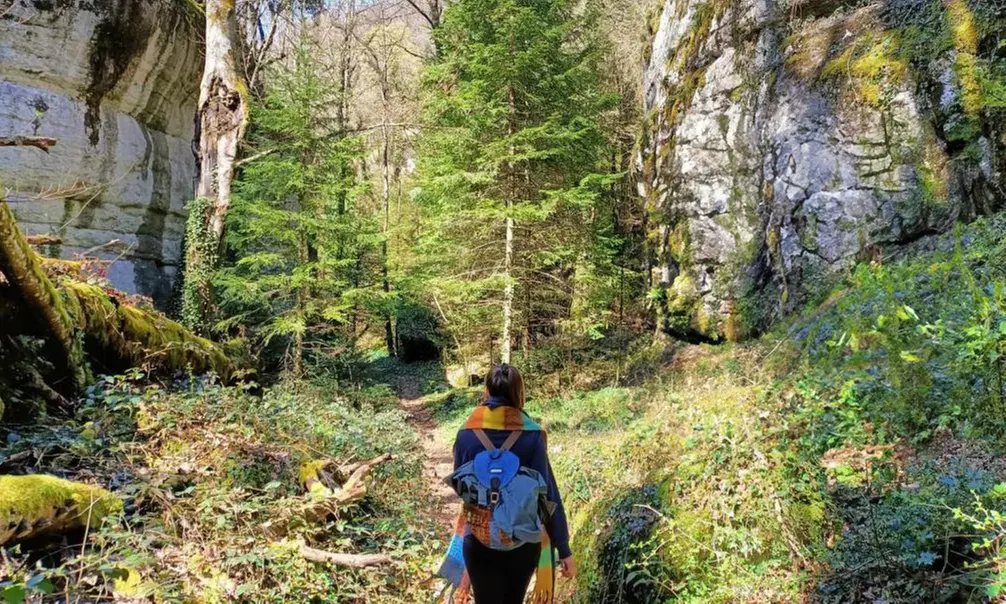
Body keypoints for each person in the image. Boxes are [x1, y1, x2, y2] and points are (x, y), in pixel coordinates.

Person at [437, 363, 575, 604]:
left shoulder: (466, 434)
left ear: (487, 391)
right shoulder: (532, 435)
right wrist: (562, 547)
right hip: (521, 542)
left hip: (479, 539)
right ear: (518, 392)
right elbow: (546, 497)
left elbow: (463, 488)